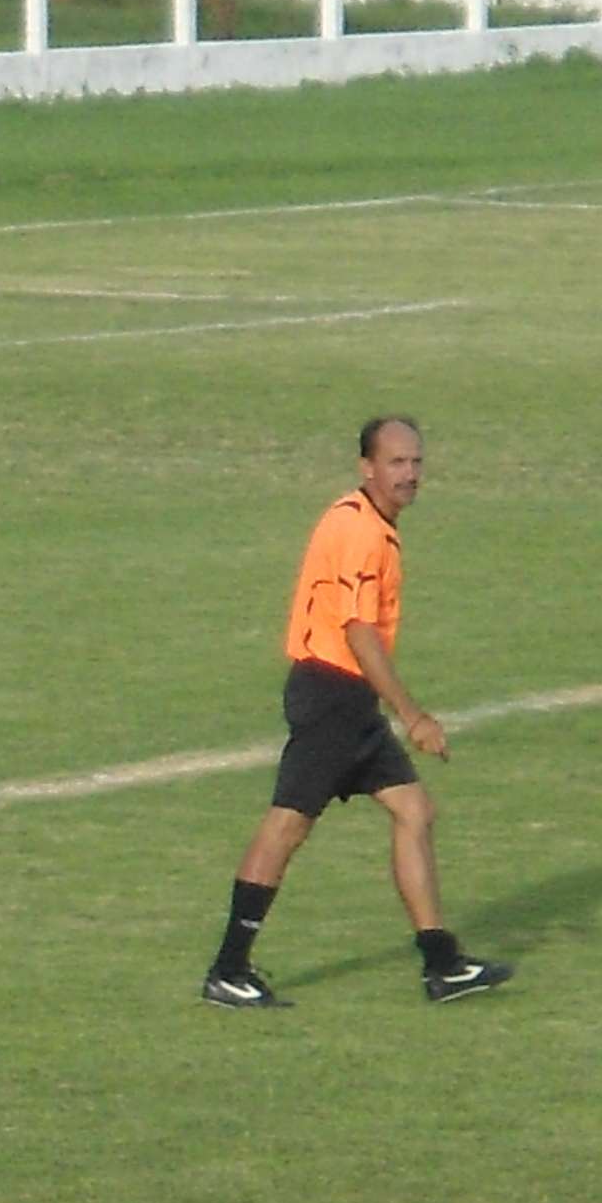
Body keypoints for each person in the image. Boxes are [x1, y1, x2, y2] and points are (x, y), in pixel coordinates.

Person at [201, 416, 512, 1009]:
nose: (410, 475)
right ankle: (228, 968)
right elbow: (359, 631)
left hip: (348, 699)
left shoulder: (367, 523)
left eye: (417, 463)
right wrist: (412, 715)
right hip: (332, 696)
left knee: (415, 811)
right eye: (396, 463)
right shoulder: (360, 532)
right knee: (286, 826)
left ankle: (443, 964)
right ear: (366, 467)